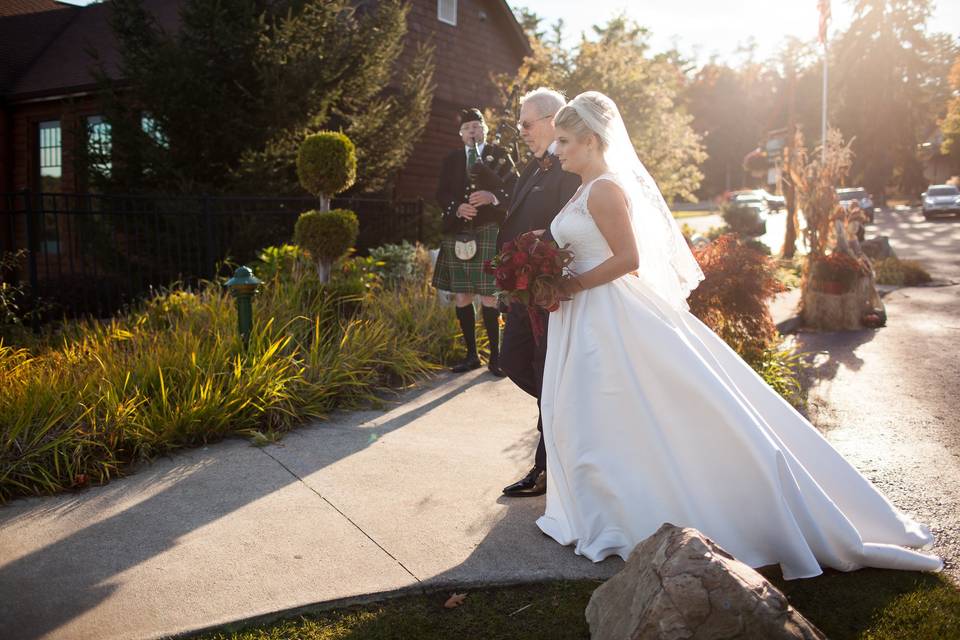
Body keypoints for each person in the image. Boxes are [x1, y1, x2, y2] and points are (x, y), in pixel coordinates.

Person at [535, 91, 942, 580]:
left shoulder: (604, 189)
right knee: (590, 411)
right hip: (581, 313)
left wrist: (568, 284)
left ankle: (632, 514)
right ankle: (600, 509)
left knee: (615, 406)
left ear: (591, 139)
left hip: (605, 312)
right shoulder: (583, 189)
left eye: (563, 140)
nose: (555, 149)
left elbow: (628, 260)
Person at [496, 88, 581, 498]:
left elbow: (569, 229)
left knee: (547, 372)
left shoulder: (568, 167)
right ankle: (571, 417)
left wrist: (537, 255)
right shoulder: (534, 167)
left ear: (552, 119)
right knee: (512, 359)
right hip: (523, 291)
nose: (521, 131)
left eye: (526, 124)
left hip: (550, 292)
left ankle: (546, 467)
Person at [432, 108, 517, 376]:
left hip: (489, 228)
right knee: (462, 294)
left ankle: (496, 357)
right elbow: (441, 193)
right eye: (467, 127)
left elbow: (514, 188)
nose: (472, 131)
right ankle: (471, 356)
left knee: (489, 295)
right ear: (460, 134)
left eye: (477, 126)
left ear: (485, 131)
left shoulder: (499, 156)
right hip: (459, 230)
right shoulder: (452, 159)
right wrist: (457, 207)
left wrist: (492, 197)